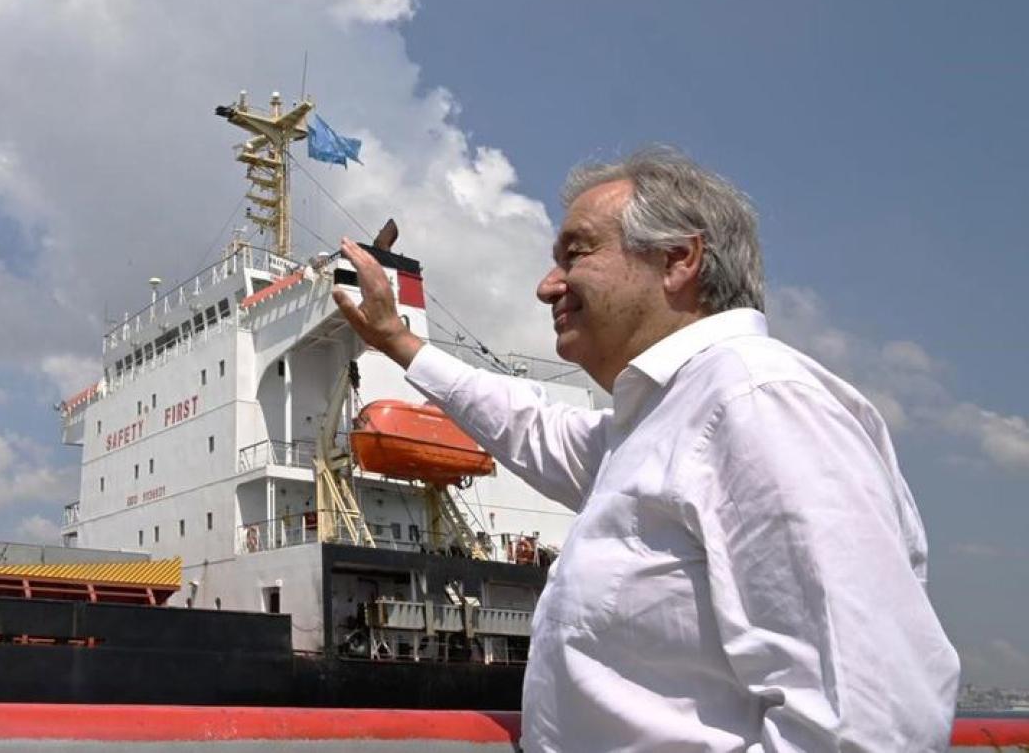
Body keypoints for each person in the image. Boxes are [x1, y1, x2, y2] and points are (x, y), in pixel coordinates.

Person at [332, 147, 958, 751]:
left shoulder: (756, 401)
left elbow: (871, 725)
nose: (548, 286)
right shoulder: (661, 422)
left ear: (678, 260)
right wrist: (400, 342)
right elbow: (530, 426)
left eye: (575, 253)